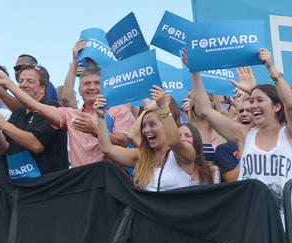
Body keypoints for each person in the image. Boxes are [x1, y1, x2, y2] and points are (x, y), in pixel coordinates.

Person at [184, 47, 292, 216]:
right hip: (249, 218)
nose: (253, 105)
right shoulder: (245, 135)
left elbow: (290, 104)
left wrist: (271, 69)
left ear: (277, 106)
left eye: (259, 100)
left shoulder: (288, 134)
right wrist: (195, 72)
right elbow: (205, 110)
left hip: (284, 223)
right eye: (251, 100)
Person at [0, 62, 134, 168]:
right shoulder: (71, 115)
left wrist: (95, 130)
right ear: (80, 91)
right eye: (87, 84)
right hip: (80, 182)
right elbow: (37, 107)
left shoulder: (119, 111)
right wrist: (9, 85)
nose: (92, 87)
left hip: (111, 181)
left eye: (97, 83)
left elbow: (122, 142)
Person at [95, 86, 197, 191]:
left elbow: (174, 142)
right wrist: (101, 116)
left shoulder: (184, 153)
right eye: (144, 126)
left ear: (165, 125)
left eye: (152, 124)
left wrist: (163, 107)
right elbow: (107, 148)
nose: (146, 130)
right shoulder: (141, 156)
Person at [0, 64, 69, 174]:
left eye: (30, 81)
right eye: (21, 81)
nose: (23, 85)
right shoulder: (18, 113)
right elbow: (2, 148)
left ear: (43, 88)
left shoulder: (51, 109)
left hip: (47, 184)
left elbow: (36, 145)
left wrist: (4, 125)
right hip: (20, 184)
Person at [214, 95, 254, 182]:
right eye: (241, 111)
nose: (244, 114)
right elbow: (232, 179)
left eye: (249, 111)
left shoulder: (271, 144)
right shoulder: (225, 149)